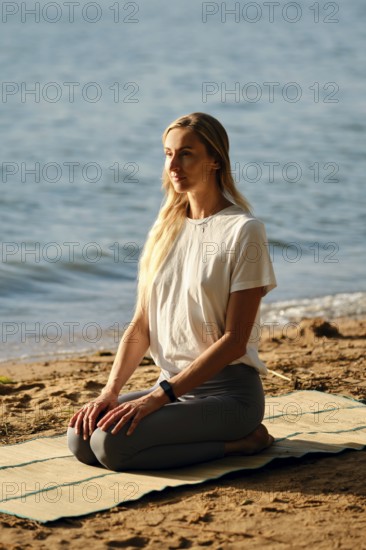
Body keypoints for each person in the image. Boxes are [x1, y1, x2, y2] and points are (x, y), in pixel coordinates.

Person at [67, 112, 277, 471]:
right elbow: (141, 325)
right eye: (168, 154)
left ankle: (242, 442)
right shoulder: (166, 229)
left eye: (186, 154)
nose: (174, 165)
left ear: (215, 160)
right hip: (173, 387)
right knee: (81, 437)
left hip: (228, 394)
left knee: (112, 447)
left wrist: (157, 399)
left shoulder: (244, 231)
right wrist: (110, 393)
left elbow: (234, 341)